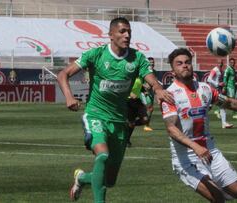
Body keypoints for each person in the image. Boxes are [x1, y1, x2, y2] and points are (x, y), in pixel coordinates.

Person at [57, 17, 173, 202]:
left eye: (129, 32)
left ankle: (81, 178)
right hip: (96, 115)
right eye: (122, 31)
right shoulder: (95, 54)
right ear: (110, 35)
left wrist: (158, 88)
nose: (127, 35)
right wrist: (69, 97)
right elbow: (63, 74)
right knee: (102, 155)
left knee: (108, 181)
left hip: (120, 122)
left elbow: (150, 77)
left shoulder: (137, 58)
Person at [161, 48, 237, 202]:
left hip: (210, 151)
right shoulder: (169, 95)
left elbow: (229, 103)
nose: (185, 66)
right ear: (172, 70)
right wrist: (195, 146)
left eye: (187, 62)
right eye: (179, 63)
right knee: (218, 198)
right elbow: (171, 129)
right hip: (186, 158)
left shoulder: (205, 89)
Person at [207, 59, 233, 129]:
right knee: (207, 108)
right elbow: (209, 79)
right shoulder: (215, 70)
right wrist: (218, 84)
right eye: (219, 63)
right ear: (216, 63)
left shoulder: (221, 70)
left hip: (216, 91)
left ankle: (224, 123)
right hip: (212, 91)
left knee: (222, 105)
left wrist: (222, 86)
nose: (220, 64)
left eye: (221, 63)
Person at [126, 77, 149, 147]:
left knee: (145, 119)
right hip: (128, 101)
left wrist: (144, 90)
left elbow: (139, 85)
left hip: (137, 101)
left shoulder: (141, 77)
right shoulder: (128, 75)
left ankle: (129, 125)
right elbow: (121, 87)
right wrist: (129, 93)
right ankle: (127, 140)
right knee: (131, 123)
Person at [140, 57, 156, 132]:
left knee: (150, 109)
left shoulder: (154, 71)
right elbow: (140, 82)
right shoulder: (144, 71)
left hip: (151, 92)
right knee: (149, 108)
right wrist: (144, 88)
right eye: (150, 62)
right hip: (145, 92)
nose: (152, 64)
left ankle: (146, 124)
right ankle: (146, 125)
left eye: (153, 62)